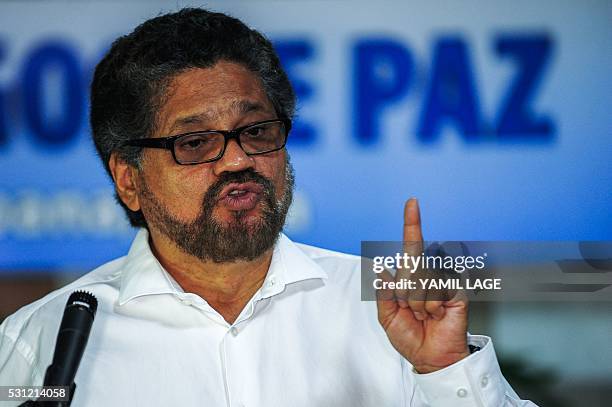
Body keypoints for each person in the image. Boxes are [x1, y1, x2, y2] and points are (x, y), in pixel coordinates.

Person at [0, 8, 535, 406]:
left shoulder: (384, 311)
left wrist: (445, 370)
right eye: (195, 143)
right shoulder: (39, 343)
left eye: (255, 131)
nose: (236, 161)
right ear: (129, 179)